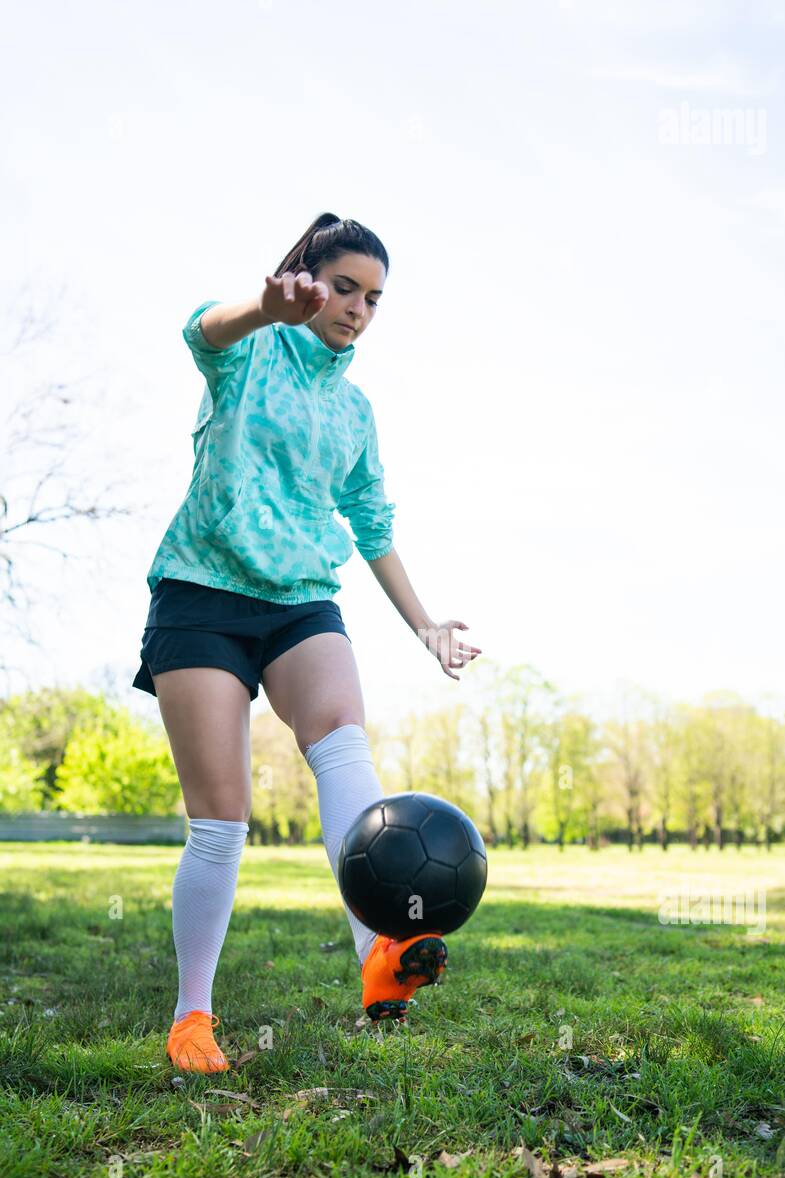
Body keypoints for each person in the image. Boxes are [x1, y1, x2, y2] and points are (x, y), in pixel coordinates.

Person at [132, 213, 482, 1073]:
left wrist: (426, 623)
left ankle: (381, 953)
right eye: (344, 287)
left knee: (345, 754)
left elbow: (370, 524)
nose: (357, 308)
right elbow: (199, 328)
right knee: (222, 823)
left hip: (299, 602)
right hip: (202, 599)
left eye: (373, 298)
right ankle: (192, 1018)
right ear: (306, 278)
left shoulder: (355, 410)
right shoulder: (249, 348)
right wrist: (264, 305)